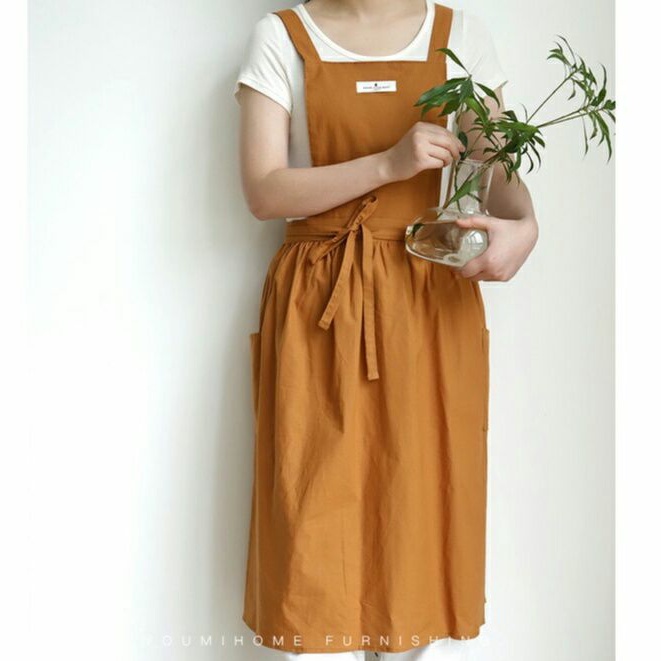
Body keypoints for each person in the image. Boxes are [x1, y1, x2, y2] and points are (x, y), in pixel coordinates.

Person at [233, 1, 538, 659]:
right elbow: (263, 191)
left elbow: (497, 165)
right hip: (321, 303)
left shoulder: (460, 35)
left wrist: (525, 225)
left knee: (413, 518)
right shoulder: (281, 37)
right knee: (312, 527)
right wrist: (386, 165)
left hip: (427, 299)